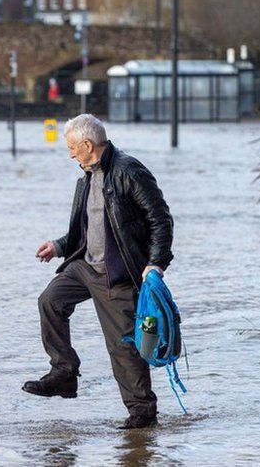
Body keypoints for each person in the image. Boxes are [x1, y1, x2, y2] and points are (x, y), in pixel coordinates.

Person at [24, 114, 174, 429]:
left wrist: (156, 263)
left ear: (88, 145)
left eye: (72, 147)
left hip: (117, 272)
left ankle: (142, 411)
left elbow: (161, 219)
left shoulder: (129, 171)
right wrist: (59, 246)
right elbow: (89, 228)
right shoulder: (87, 174)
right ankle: (64, 374)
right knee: (50, 301)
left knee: (122, 345)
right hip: (84, 265)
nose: (70, 154)